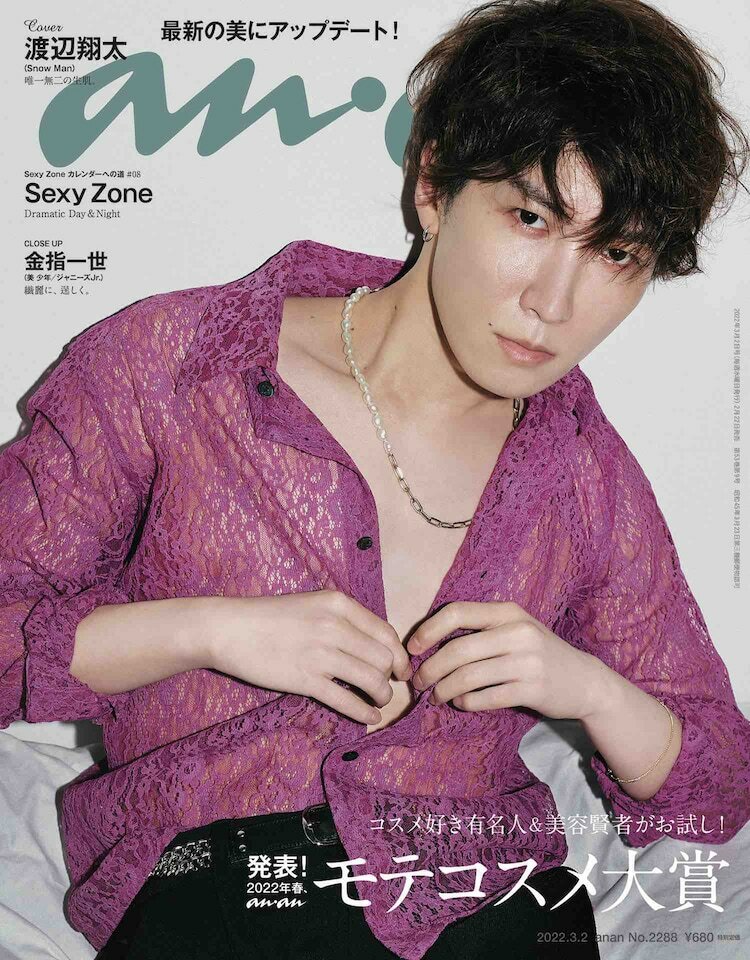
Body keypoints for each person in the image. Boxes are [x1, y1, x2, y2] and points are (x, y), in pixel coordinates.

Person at [2, 0, 749, 958]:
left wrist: (587, 688)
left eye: (615, 254)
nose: (554, 304)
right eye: (530, 218)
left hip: (493, 905)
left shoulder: (581, 471)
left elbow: (714, 790)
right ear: (434, 184)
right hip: (234, 887)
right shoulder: (176, 367)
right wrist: (210, 631)